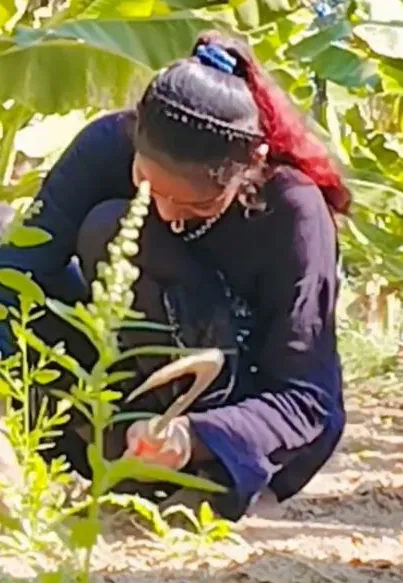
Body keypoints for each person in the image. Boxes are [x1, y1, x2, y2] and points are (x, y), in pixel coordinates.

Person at [0, 31, 350, 521]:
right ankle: (99, 453)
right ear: (135, 132)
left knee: (116, 228)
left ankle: (195, 482)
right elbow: (15, 278)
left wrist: (194, 435)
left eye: (197, 202)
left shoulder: (293, 212)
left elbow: (306, 401)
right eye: (147, 184)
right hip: (124, 402)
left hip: (231, 422)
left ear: (250, 167)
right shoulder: (104, 147)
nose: (166, 214)